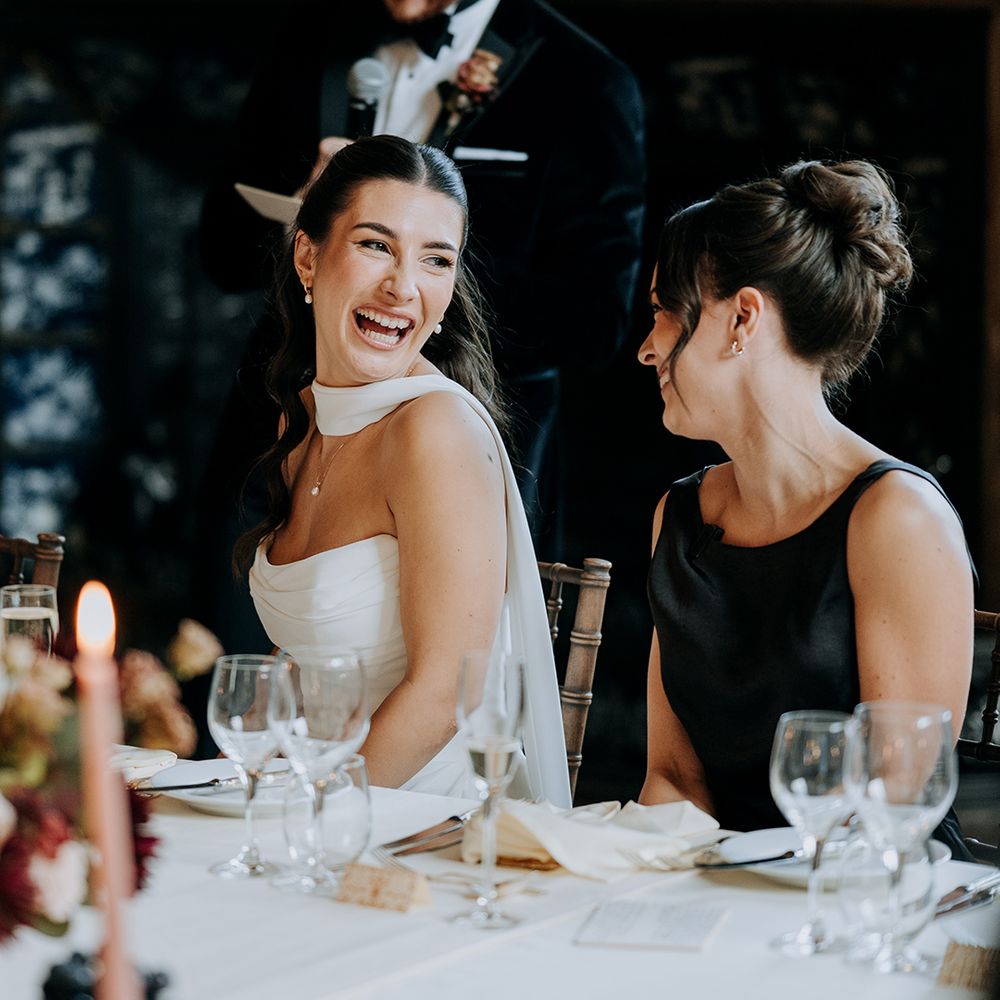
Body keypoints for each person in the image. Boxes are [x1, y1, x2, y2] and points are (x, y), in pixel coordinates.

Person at [195, 0, 646, 659]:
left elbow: (595, 320)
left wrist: (412, 265)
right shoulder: (312, 37)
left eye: (438, 257)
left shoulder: (585, 79)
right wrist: (315, 218)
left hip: (455, 454)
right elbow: (220, 251)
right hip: (278, 430)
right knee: (228, 676)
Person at [635, 158, 976, 859]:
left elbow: (895, 803)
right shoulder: (679, 516)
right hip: (714, 890)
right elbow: (671, 777)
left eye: (664, 310)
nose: (647, 348)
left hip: (870, 894)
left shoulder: (897, 519)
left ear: (742, 318)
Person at [236, 134, 570, 806]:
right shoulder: (304, 420)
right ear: (308, 256)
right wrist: (236, 779)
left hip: (415, 817)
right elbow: (304, 656)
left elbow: (448, 692)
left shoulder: (433, 430)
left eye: (436, 260)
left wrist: (311, 818)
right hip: (309, 792)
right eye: (375, 245)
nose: (403, 287)